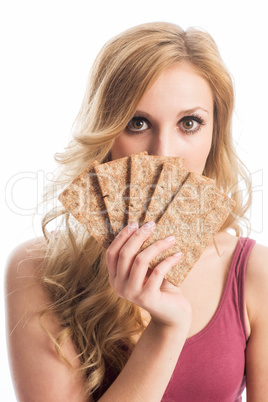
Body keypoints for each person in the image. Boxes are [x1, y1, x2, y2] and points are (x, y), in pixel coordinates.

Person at [4, 22, 268, 402]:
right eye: (137, 123)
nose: (163, 152)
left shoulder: (254, 274)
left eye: (189, 123)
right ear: (107, 132)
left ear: (215, 133)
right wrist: (166, 330)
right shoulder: (40, 270)